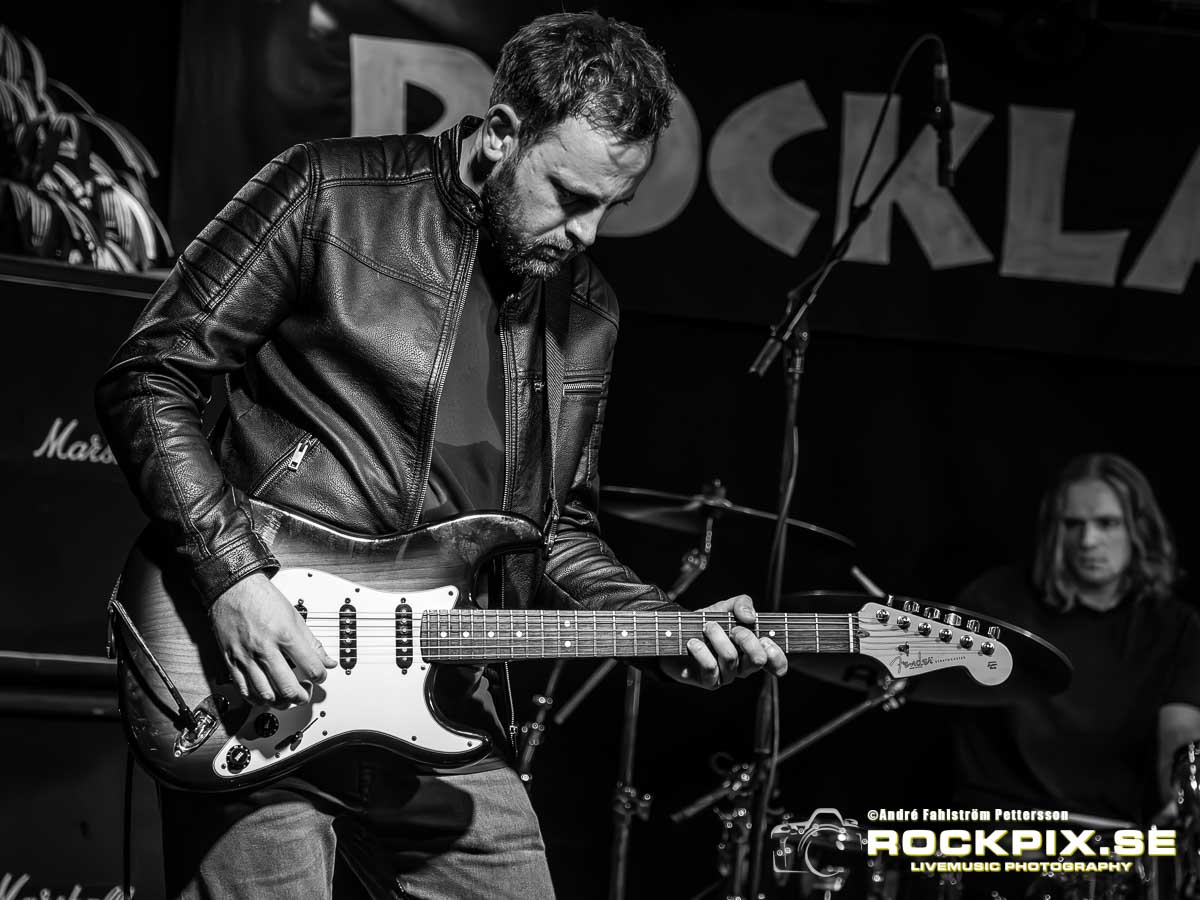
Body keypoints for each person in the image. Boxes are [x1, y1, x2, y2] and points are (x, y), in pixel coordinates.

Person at [95, 12, 787, 900]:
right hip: (260, 669)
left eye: (610, 208)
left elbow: (556, 534)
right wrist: (233, 577)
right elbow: (149, 376)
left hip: (443, 702)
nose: (586, 233)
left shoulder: (586, 314)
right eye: (569, 194)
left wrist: (667, 628)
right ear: (500, 133)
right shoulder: (328, 193)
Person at [949, 454, 1200, 849]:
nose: (1088, 541)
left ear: (1140, 529)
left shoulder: (1175, 626)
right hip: (997, 836)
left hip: (1112, 841)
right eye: (1073, 525)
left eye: (1107, 523)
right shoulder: (993, 602)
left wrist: (1180, 802)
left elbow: (1180, 733)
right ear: (1054, 531)